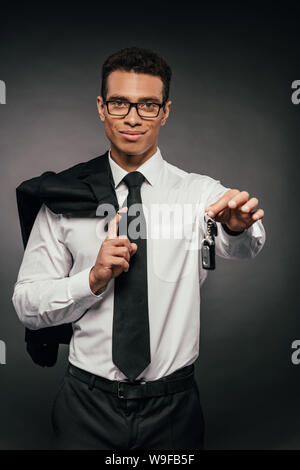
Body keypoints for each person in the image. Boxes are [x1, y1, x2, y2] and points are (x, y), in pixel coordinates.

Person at [12, 46, 266, 450]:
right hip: (85, 405)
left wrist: (236, 229)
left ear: (165, 111)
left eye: (148, 105)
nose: (133, 118)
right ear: (101, 107)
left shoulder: (197, 193)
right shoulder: (63, 196)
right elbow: (26, 304)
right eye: (119, 103)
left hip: (174, 408)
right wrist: (91, 280)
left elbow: (246, 246)